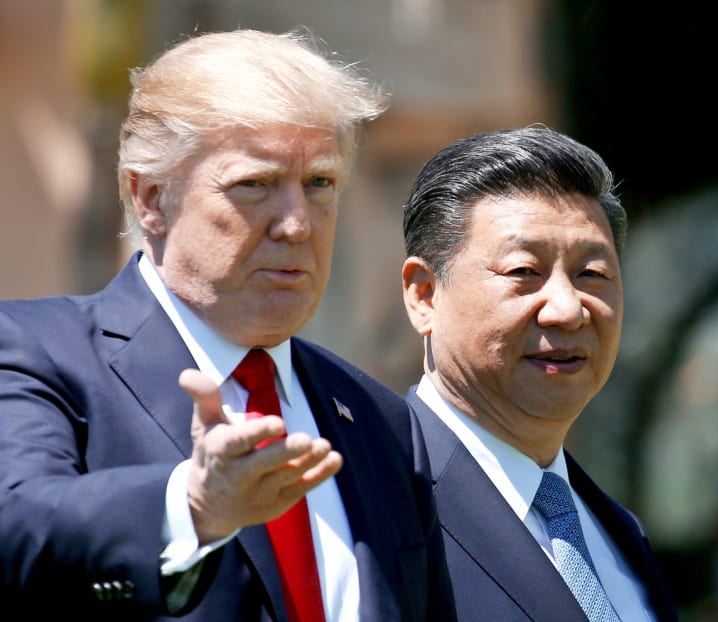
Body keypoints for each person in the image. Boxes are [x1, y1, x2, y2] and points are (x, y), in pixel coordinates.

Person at [0, 29, 455, 621]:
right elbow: (16, 529)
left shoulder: (380, 417)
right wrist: (190, 506)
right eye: (255, 185)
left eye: (319, 183)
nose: (297, 225)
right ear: (152, 199)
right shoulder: (35, 350)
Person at [400, 126, 678, 621]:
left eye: (592, 274)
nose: (567, 309)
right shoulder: (373, 502)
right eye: (524, 271)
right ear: (425, 295)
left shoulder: (618, 534)